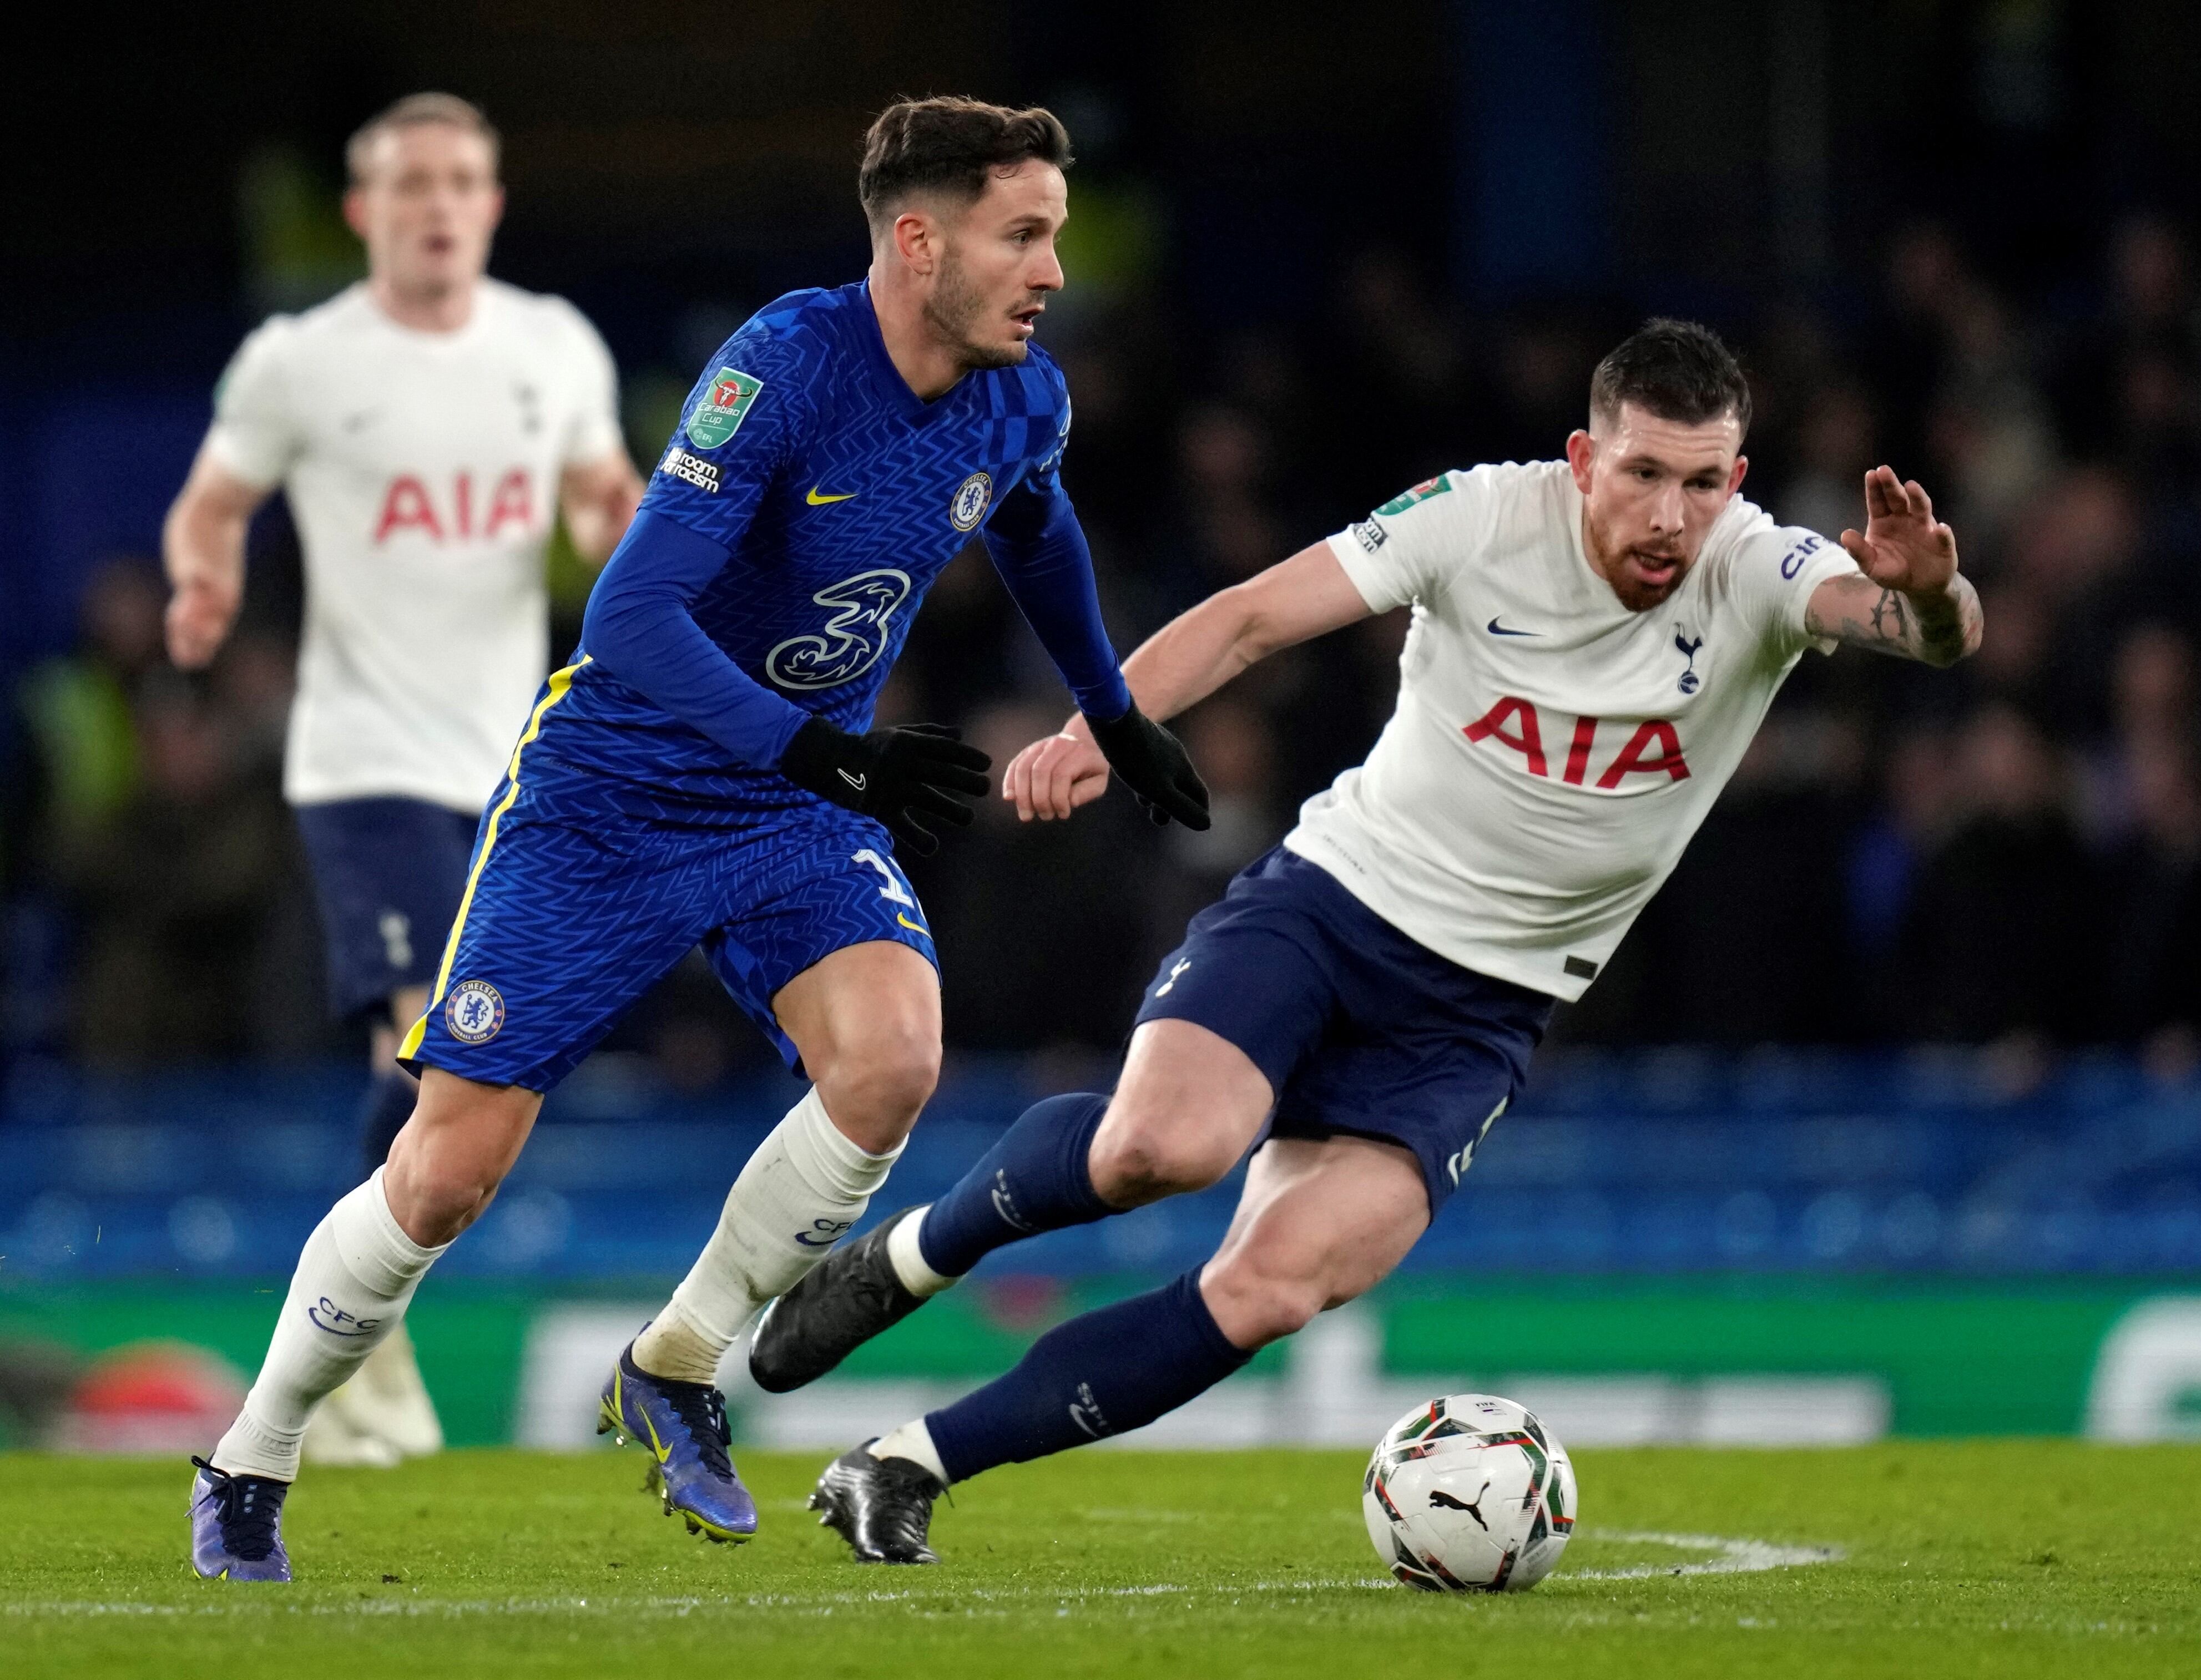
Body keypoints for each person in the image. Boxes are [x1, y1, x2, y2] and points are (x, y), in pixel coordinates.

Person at [753, 319, 1985, 1563]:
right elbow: (1250, 618)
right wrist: (1101, 729)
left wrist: (1931, 589)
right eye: (1645, 474)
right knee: (1158, 1150)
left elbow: (1924, 627)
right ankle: (915, 1255)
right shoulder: (1482, 516)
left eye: (1706, 480)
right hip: (1332, 910)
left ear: (1739, 481)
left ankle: (906, 1462)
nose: (1673, 514)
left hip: (1478, 1017)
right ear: (1581, 460)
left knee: (1269, 1287)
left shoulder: (1761, 571)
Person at [185, 95, 1209, 1583]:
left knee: (893, 1058)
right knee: (446, 1175)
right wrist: (825, 748)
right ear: (919, 241)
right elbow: (629, 615)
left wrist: (1111, 708)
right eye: (1025, 234)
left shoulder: (1020, 395)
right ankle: (252, 1451)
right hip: (614, 794)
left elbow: (1033, 521)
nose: (1054, 268)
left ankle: (675, 1364)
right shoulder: (782, 370)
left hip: (794, 802)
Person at [162, 93, 642, 1472]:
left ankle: (357, 1326)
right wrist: (202, 577)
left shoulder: (551, 344)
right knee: (433, 1028)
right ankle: (351, 1340)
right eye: (412, 183)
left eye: (464, 181)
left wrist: (624, 523)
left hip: (516, 765)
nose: (439, 204)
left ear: (492, 204)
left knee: (473, 1072)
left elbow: (600, 490)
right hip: (365, 759)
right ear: (366, 211)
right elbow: (214, 498)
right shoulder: (300, 361)